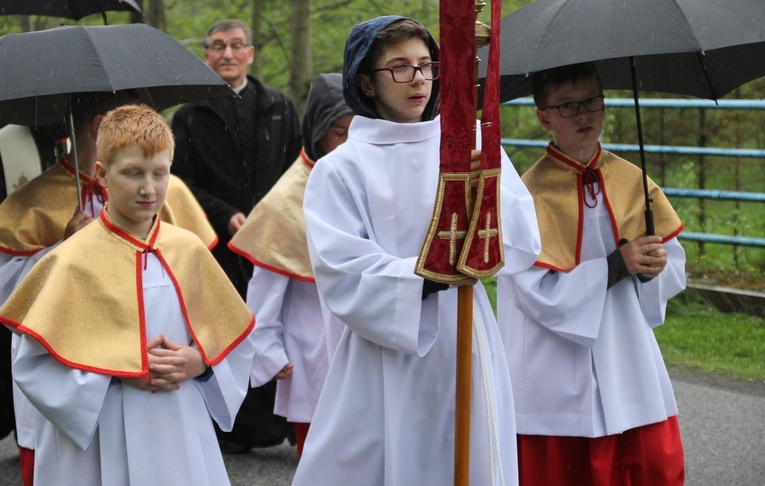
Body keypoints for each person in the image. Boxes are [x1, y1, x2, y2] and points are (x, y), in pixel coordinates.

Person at [290, 16, 540, 485]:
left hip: (465, 333)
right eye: (400, 68)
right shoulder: (341, 168)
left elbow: (522, 240)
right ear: (366, 81)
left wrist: (486, 189)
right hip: (387, 351)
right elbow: (343, 269)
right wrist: (428, 275)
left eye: (427, 65)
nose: (419, 79)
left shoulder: (472, 143)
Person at [0, 104, 256, 485]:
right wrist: (118, 372)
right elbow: (32, 362)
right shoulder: (71, 260)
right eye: (132, 173)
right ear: (102, 174)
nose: (148, 189)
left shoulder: (188, 250)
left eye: (160, 173)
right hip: (101, 432)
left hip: (177, 420)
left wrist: (199, 364)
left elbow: (233, 341)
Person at [496, 62, 686, 485]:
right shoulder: (527, 195)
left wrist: (654, 269)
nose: (583, 115)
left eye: (591, 101)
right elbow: (533, 291)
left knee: (650, 464)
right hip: (555, 360)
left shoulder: (633, 181)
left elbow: (672, 262)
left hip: (624, 346)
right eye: (566, 106)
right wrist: (619, 264)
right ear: (542, 115)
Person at [171, 18, 302, 452]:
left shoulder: (279, 106)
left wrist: (269, 217)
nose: (227, 54)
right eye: (218, 46)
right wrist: (226, 215)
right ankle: (228, 427)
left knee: (270, 322)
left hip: (272, 241)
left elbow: (296, 171)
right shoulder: (188, 117)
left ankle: (275, 422)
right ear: (206, 55)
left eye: (236, 46)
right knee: (222, 328)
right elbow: (180, 182)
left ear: (250, 53)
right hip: (214, 246)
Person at [228, 73, 353, 460]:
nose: (350, 145)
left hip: (362, 344)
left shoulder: (365, 181)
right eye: (339, 133)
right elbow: (263, 295)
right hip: (312, 351)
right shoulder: (287, 201)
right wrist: (267, 349)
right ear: (317, 131)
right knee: (322, 460)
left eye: (359, 131)